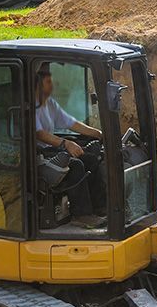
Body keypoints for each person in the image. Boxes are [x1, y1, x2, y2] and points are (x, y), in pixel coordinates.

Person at [35, 65, 106, 228]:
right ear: (38, 84)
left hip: (52, 150)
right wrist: (65, 143)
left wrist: (98, 134)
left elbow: (71, 123)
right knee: (76, 166)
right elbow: (38, 133)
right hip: (39, 155)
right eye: (48, 82)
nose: (52, 86)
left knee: (91, 159)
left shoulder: (49, 103)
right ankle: (81, 215)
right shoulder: (31, 106)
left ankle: (98, 207)